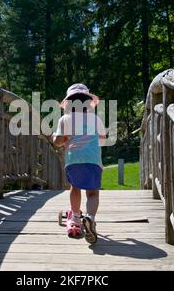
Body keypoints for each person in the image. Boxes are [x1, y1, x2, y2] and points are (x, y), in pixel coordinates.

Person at [52, 84, 106, 244]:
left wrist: (57, 136)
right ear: (89, 103)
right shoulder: (96, 119)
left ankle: (75, 216)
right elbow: (103, 139)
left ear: (68, 104)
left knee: (75, 187)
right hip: (93, 159)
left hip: (73, 159)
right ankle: (90, 217)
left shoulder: (65, 119)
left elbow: (58, 142)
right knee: (92, 193)